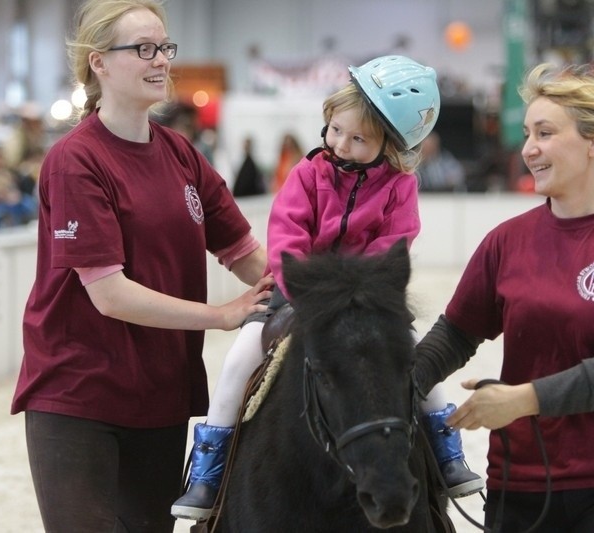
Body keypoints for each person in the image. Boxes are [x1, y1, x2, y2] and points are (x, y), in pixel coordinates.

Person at [172, 54, 484, 522]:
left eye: (359, 139)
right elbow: (287, 233)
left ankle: (446, 452)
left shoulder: (400, 187)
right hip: (299, 293)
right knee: (240, 359)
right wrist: (307, 287)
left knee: (415, 358)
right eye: (336, 130)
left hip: (367, 297)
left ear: (389, 145)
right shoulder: (307, 174)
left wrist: (366, 291)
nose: (341, 145)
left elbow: (394, 242)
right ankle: (209, 470)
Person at [9, 2, 272, 532]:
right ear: (99, 62)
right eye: (144, 49)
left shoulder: (182, 154)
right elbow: (110, 294)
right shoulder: (75, 160)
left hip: (161, 394)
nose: (161, 61)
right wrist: (222, 315)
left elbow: (244, 252)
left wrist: (319, 288)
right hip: (79, 395)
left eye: (165, 47)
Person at [414, 63, 594, 532]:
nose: (529, 149)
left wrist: (520, 400)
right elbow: (455, 336)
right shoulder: (506, 242)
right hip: (520, 479)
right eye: (527, 134)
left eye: (545, 133)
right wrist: (391, 386)